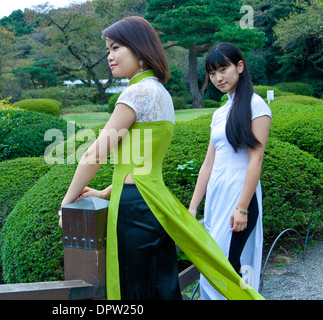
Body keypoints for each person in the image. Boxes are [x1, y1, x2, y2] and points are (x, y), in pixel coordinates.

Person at [60, 17, 264, 300]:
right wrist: (106, 192)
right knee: (162, 287)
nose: (110, 56)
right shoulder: (161, 94)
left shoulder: (135, 93)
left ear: (140, 50)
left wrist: (66, 203)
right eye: (108, 49)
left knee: (134, 290)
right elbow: (141, 162)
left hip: (134, 208)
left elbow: (96, 153)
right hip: (156, 202)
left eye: (116, 47)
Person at [188, 42, 272, 300]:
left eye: (223, 69)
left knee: (227, 269)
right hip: (217, 197)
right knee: (210, 265)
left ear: (239, 66)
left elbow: (255, 160)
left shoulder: (257, 106)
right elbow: (208, 164)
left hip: (240, 198)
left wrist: (243, 207)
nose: (218, 78)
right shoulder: (219, 113)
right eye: (212, 73)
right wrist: (193, 208)